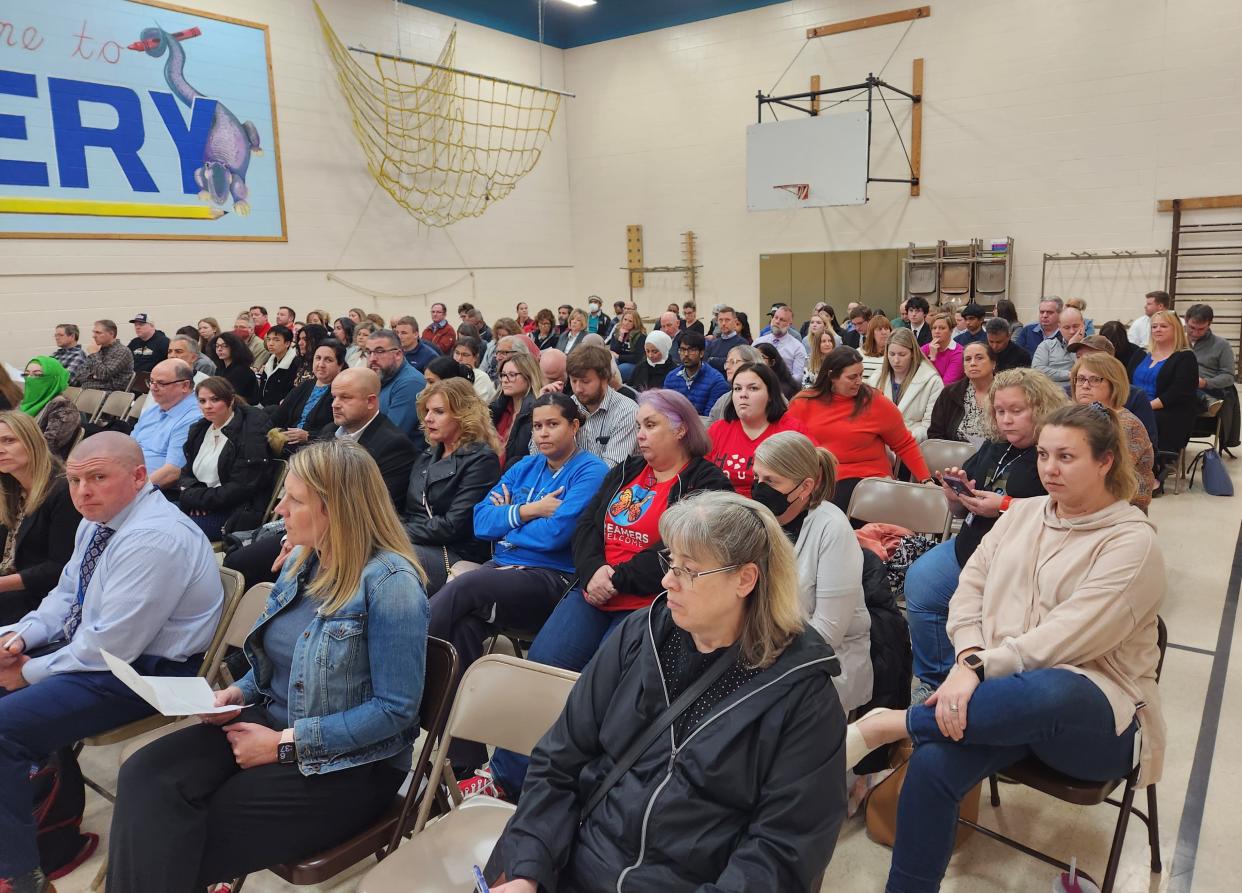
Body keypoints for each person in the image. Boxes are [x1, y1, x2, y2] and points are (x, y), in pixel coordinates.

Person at [847, 403, 1165, 893]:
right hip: (1000, 701)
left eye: (1066, 457)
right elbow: (969, 587)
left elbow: (1066, 638)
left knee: (1055, 687)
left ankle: (894, 724)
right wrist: (970, 659)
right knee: (931, 767)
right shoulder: (1025, 513)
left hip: (1094, 720)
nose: (1049, 468)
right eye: (1042, 454)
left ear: (1105, 462)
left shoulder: (1132, 542)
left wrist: (975, 669)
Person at [483, 489, 846, 892]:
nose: (667, 580)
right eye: (670, 561)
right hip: (574, 862)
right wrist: (527, 870)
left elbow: (780, 852)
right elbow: (559, 760)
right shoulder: (640, 636)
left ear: (746, 579)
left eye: (688, 569)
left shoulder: (801, 693)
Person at [108, 439, 430, 891]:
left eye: (294, 500)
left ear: (335, 509)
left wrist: (285, 743)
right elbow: (278, 661)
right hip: (271, 722)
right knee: (144, 776)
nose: (279, 508)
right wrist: (239, 691)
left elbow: (395, 711)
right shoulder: (303, 561)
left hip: (350, 764)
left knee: (177, 836)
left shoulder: (391, 583)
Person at [0, 433, 223, 892]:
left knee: (3, 729)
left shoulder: (153, 539)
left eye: (98, 478)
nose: (83, 491)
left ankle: (22, 875)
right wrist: (20, 639)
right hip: (97, 653)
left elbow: (110, 648)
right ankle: (35, 818)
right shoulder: (99, 520)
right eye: (76, 479)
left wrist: (25, 672)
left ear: (139, 477)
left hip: (145, 674)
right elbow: (65, 597)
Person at [432, 394, 607, 768]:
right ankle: (465, 761)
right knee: (463, 627)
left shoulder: (590, 471)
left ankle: (407, 652)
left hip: (552, 579)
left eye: (553, 424)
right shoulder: (524, 468)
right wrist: (529, 511)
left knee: (468, 583)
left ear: (575, 426)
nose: (542, 433)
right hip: (503, 571)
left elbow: (557, 535)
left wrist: (508, 525)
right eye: (538, 426)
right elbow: (480, 523)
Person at [905, 368, 1067, 701]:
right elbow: (966, 509)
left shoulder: (1054, 454)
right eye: (1000, 411)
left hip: (1022, 562)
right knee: (920, 586)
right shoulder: (996, 446)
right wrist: (956, 497)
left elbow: (1061, 511)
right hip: (971, 546)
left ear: (1040, 407)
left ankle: (978, 684)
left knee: (995, 620)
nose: (1006, 420)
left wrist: (1005, 505)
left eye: (1016, 411)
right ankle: (936, 678)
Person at [753, 431, 872, 712]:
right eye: (757, 477)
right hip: (763, 645)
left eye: (770, 481)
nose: (759, 488)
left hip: (824, 659)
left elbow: (827, 633)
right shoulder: (757, 518)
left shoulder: (833, 529)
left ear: (805, 487)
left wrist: (764, 660)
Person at [787, 347, 932, 511]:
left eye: (861, 375)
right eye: (852, 377)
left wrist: (925, 479)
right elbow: (788, 446)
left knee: (834, 504)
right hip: (820, 479)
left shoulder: (874, 401)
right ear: (831, 376)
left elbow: (904, 444)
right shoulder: (803, 403)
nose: (859, 381)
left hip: (867, 480)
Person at [401, 379, 502, 595]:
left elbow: (453, 526)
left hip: (454, 554)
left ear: (463, 415)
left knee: (382, 559)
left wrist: (395, 532)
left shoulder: (481, 460)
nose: (428, 418)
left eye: (438, 412)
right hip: (415, 543)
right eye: (427, 411)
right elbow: (408, 511)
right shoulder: (427, 455)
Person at [0, 411, 81, 625]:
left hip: (39, 598)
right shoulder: (9, 487)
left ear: (31, 441)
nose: (0, 449)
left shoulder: (63, 491)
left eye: (8, 440)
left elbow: (59, 567)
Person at [178, 377, 273, 539]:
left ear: (230, 400)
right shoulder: (199, 430)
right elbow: (186, 474)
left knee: (174, 533)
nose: (207, 406)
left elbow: (241, 487)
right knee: (151, 520)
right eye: (202, 401)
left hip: (232, 512)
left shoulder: (249, 433)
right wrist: (195, 498)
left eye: (215, 399)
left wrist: (197, 500)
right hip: (198, 504)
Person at [706, 362, 806, 498]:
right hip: (722, 507)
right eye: (737, 388)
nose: (743, 395)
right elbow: (702, 476)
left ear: (770, 395)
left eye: (753, 388)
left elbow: (808, 476)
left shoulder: (791, 430)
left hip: (773, 511)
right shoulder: (718, 429)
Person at [1071, 353, 1155, 512]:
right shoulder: (1076, 417)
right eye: (1080, 379)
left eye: (1095, 379)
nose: (1085, 385)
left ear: (1114, 384)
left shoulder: (1127, 425)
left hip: (1122, 509)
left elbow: (1110, 478)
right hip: (1083, 500)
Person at [558, 344, 638, 467]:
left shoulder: (627, 411)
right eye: (574, 381)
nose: (578, 389)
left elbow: (612, 469)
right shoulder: (568, 406)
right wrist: (546, 409)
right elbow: (539, 457)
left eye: (585, 381)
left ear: (605, 378)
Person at [1137, 309, 1200, 464]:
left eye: (1164, 326)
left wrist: (1145, 406)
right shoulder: (1143, 353)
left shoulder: (1185, 357)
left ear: (1176, 329)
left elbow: (1178, 392)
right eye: (1154, 326)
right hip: (1140, 405)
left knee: (1143, 421)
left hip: (1168, 411)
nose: (1157, 329)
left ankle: (1154, 469)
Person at [130, 359, 202, 490]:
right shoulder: (153, 410)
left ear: (185, 386)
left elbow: (172, 473)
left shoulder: (193, 418)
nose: (153, 387)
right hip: (128, 477)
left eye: (161, 383)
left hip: (149, 489)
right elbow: (129, 446)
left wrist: (131, 491)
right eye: (151, 381)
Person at [266, 339, 346, 455]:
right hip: (289, 444)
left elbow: (339, 430)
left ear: (340, 366)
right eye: (318, 358)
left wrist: (308, 436)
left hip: (318, 451)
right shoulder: (305, 385)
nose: (321, 364)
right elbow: (278, 416)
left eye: (328, 360)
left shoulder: (342, 392)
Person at [875, 328, 944, 444]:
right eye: (891, 354)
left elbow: (929, 425)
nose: (896, 360)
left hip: (913, 446)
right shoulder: (876, 378)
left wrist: (903, 441)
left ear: (913, 353)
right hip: (880, 446)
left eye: (902, 354)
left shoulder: (932, 381)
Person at [928, 341, 997, 444]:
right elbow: (935, 433)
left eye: (979, 358)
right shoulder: (950, 393)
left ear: (993, 363)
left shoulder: (1006, 392)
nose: (973, 363)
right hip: (955, 455)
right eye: (968, 359)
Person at [366, 329, 427, 445]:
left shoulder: (411, 383)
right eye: (369, 352)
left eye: (379, 351)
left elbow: (389, 436)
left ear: (398, 354)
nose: (372, 359)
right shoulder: (380, 377)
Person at [491, 352, 543, 471]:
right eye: (503, 375)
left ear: (529, 376)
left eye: (512, 375)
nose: (505, 380)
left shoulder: (537, 411)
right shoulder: (496, 409)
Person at [19, 357, 79, 459]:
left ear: (54, 379)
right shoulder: (26, 404)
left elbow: (48, 448)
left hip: (41, 465)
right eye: (26, 374)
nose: (29, 379)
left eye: (37, 375)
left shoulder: (64, 408)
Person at [664, 330, 730, 416]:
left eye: (691, 350)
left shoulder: (716, 382)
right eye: (682, 350)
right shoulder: (671, 377)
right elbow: (665, 409)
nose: (686, 354)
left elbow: (710, 418)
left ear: (701, 353)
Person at [1185, 303, 1237, 396]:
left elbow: (1229, 376)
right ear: (1186, 321)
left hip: (1207, 391)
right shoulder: (1176, 341)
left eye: (1201, 329)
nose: (1195, 333)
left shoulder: (1222, 345)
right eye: (1192, 327)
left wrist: (1205, 383)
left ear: (1209, 325)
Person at [708, 343, 765, 422]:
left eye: (733, 362)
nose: (727, 367)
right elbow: (709, 428)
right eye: (727, 362)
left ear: (752, 363)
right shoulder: (723, 399)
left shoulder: (772, 395)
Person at [75, 319, 134, 390]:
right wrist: (94, 376)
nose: (94, 336)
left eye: (98, 333)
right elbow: (79, 375)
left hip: (111, 395)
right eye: (94, 332)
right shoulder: (98, 349)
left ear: (111, 334)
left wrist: (94, 354)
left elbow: (104, 374)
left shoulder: (122, 351)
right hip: (90, 392)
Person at [754, 305, 808, 383]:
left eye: (782, 320)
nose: (777, 321)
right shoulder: (758, 342)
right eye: (775, 317)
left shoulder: (798, 347)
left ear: (789, 324)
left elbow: (798, 377)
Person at [1032, 306, 1084, 384]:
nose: (1072, 331)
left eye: (1075, 326)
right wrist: (1069, 374)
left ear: (1083, 324)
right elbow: (1037, 371)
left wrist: (1073, 347)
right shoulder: (1046, 346)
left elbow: (1087, 372)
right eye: (1067, 327)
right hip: (1051, 392)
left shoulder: (1092, 346)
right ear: (1059, 327)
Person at [207, 331, 258, 404]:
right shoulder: (220, 368)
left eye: (224, 346)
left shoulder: (242, 371)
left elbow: (232, 396)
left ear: (235, 348)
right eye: (217, 346)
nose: (219, 349)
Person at [256, 325, 300, 407]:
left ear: (287, 343)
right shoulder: (271, 360)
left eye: (276, 340)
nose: (270, 343)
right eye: (268, 339)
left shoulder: (295, 363)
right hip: (264, 407)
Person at [921, 313, 964, 386]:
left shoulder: (958, 353)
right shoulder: (925, 348)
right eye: (934, 328)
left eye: (942, 328)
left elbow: (945, 385)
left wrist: (933, 358)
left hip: (947, 394)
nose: (937, 331)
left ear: (951, 330)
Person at [453, 336, 497, 403]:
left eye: (465, 355)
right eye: (457, 353)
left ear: (476, 357)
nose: (459, 358)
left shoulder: (481, 377)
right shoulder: (450, 373)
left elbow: (477, 407)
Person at [607, 309, 647, 380]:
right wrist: (621, 337)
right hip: (620, 360)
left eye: (630, 321)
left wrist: (619, 357)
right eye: (625, 319)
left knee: (618, 371)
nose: (626, 323)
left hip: (634, 364)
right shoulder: (617, 331)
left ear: (635, 323)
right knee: (607, 366)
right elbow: (613, 351)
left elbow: (638, 358)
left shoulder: (640, 336)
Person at [704, 305, 743, 371]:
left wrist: (712, 360)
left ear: (735, 322)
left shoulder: (742, 343)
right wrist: (723, 360)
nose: (723, 323)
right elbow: (704, 362)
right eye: (720, 320)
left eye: (727, 320)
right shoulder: (713, 344)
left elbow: (734, 364)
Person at [861, 314, 894, 382]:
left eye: (886, 328)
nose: (884, 332)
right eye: (879, 329)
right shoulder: (859, 353)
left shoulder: (894, 354)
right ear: (872, 334)